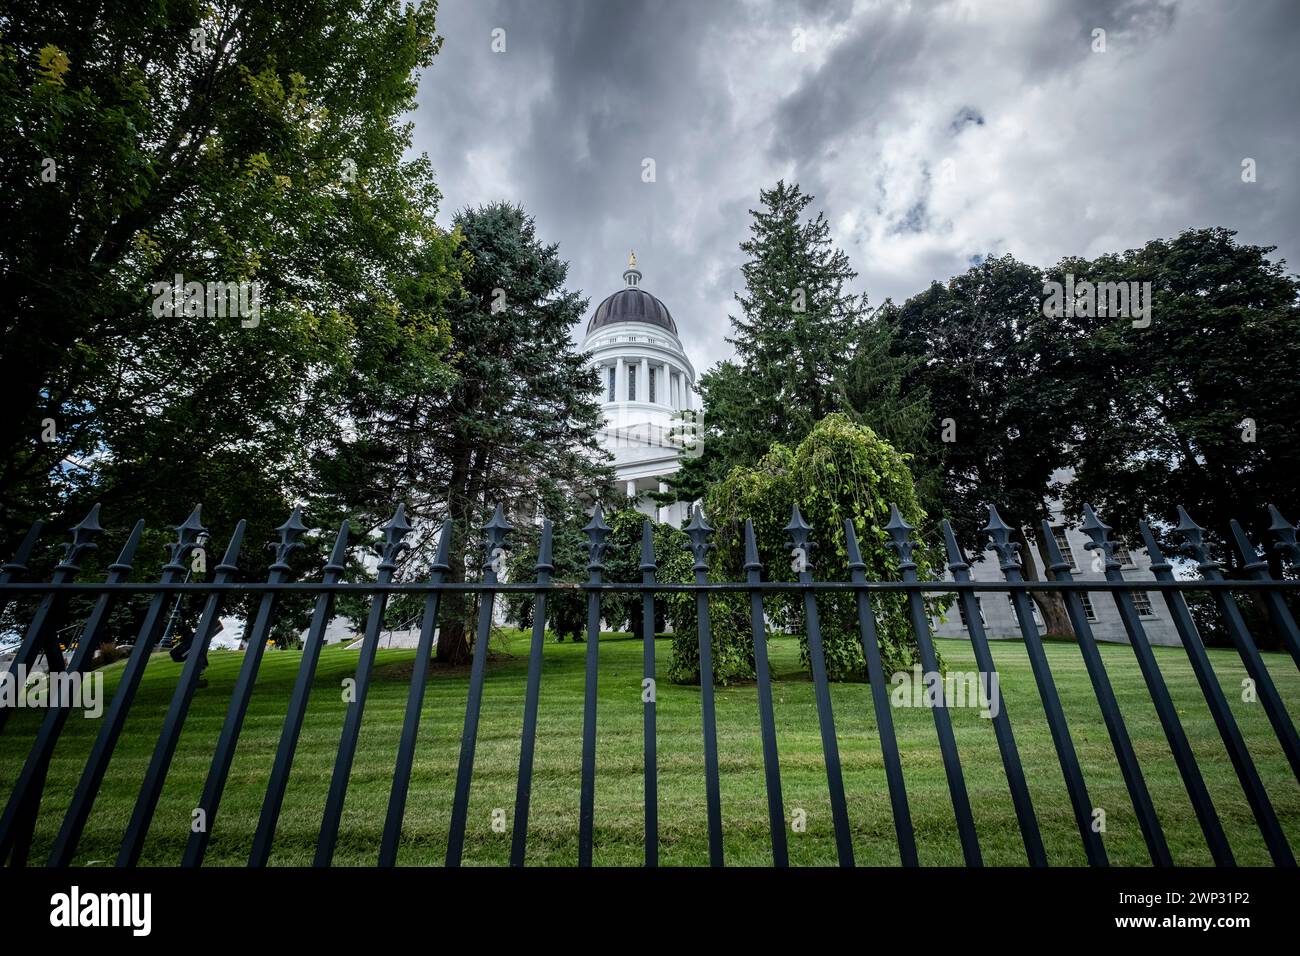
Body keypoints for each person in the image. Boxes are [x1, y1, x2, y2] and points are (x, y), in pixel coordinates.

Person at [169, 617, 221, 689]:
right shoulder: (198, 637)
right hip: (186, 651)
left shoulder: (200, 636)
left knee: (202, 664)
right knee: (201, 664)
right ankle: (194, 679)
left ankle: (195, 679)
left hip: (190, 650)